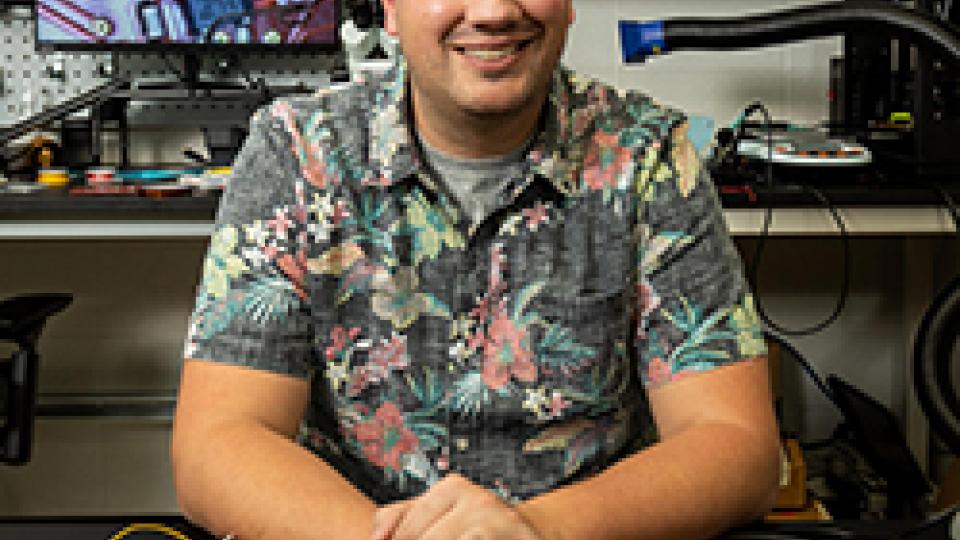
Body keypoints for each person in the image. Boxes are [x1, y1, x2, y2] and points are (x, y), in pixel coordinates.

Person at [171, 1, 781, 539]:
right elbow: (219, 442)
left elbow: (737, 447)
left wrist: (532, 534)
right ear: (389, 9)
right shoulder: (300, 152)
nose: (491, 12)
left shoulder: (648, 157)